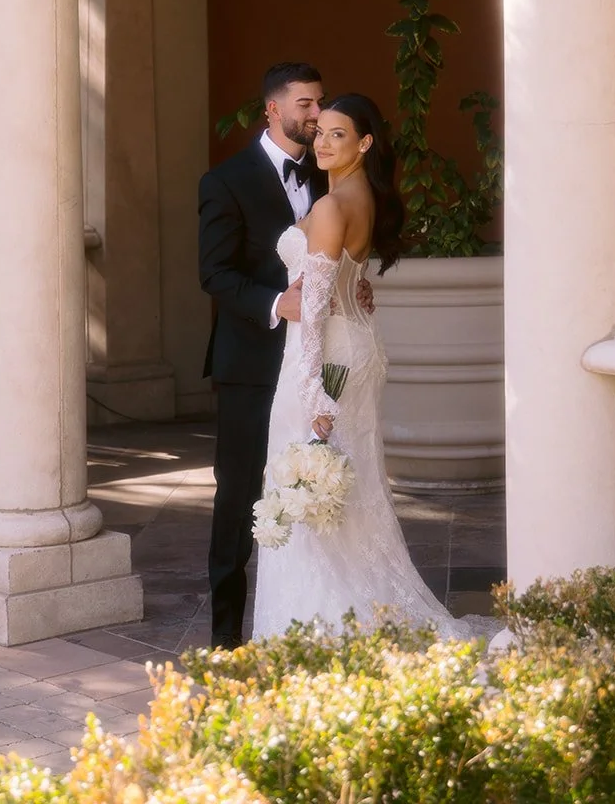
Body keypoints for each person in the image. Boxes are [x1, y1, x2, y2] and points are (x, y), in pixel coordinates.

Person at [252, 93, 468, 640]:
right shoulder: (360, 196)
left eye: (337, 134)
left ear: (364, 143)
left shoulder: (330, 207)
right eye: (319, 132)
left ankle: (321, 635)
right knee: (352, 488)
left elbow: (317, 312)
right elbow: (342, 280)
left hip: (325, 360)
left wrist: (312, 395)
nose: (322, 142)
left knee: (314, 488)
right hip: (356, 347)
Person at [199, 61, 330, 649]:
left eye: (318, 103)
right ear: (273, 110)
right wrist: (279, 302)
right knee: (239, 498)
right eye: (304, 104)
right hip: (251, 364)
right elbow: (214, 275)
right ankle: (226, 638)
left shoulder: (329, 173)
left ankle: (307, 621)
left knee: (315, 488)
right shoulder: (225, 181)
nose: (316, 114)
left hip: (315, 363)